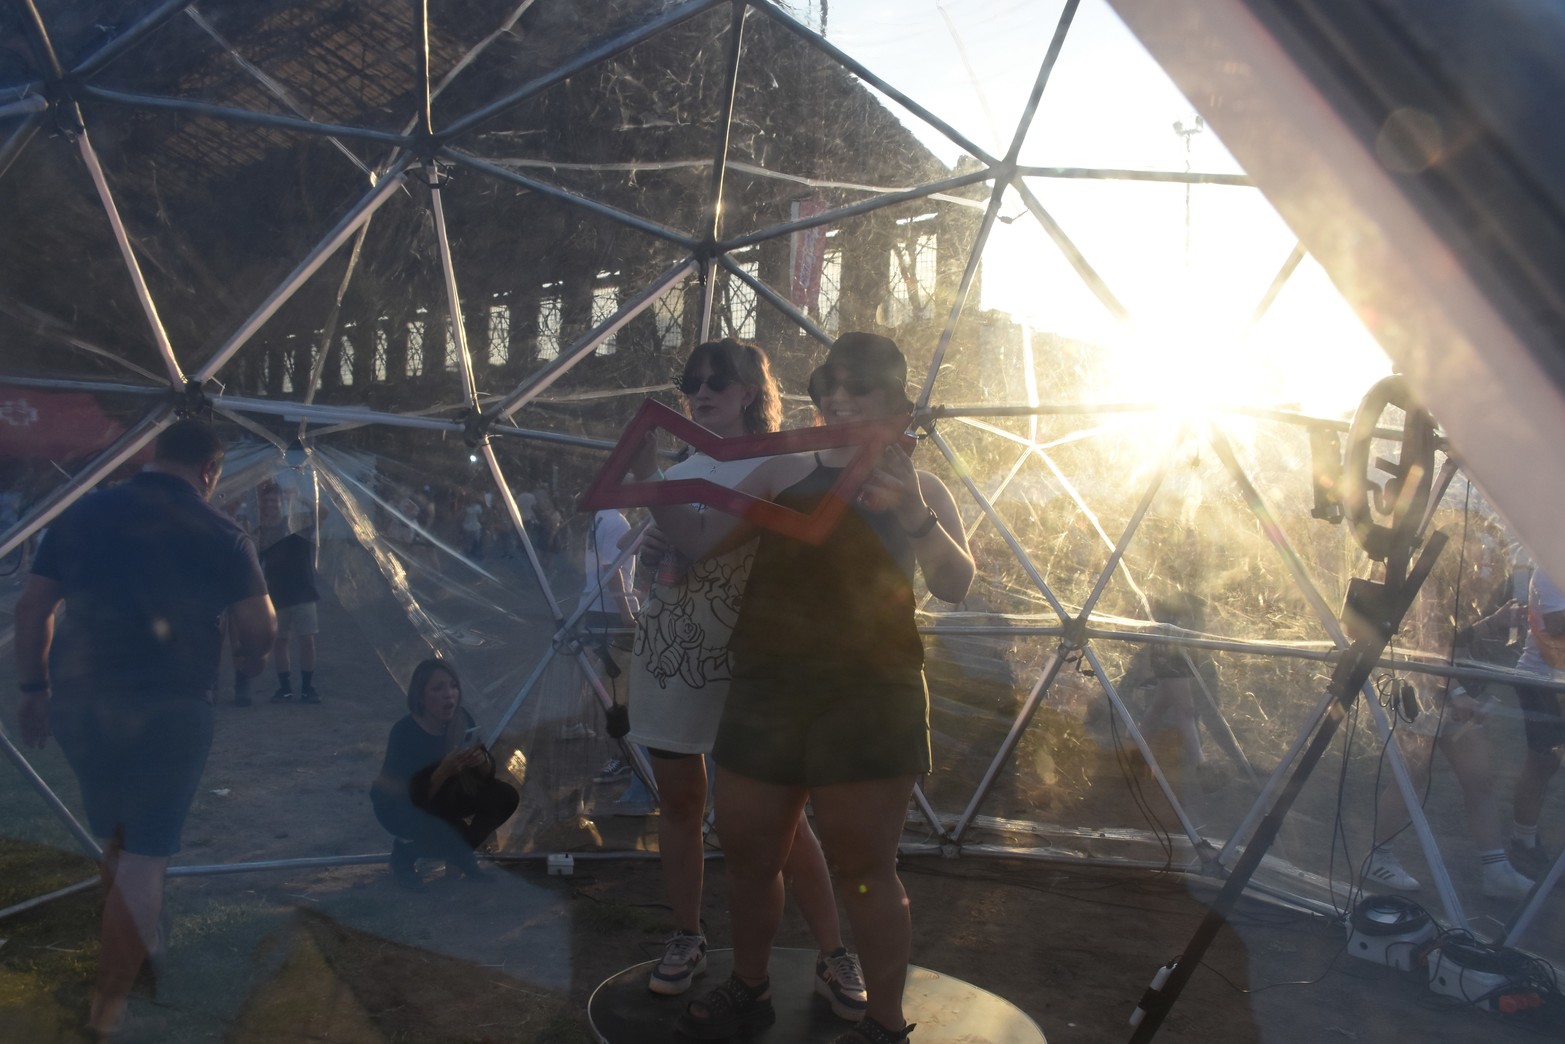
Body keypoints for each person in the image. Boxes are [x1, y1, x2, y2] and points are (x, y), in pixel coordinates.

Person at [643, 333, 975, 1044]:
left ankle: (884, 1025)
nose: (841, 403)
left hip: (869, 696)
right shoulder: (782, 473)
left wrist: (913, 511)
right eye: (833, 391)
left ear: (896, 408)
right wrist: (649, 493)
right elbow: (703, 542)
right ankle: (750, 986)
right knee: (748, 851)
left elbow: (954, 584)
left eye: (860, 393)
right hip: (766, 688)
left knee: (865, 867)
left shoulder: (925, 489)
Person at [625, 338, 867, 1016]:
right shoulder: (685, 462)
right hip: (674, 649)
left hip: (749, 660)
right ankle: (686, 936)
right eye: (692, 382)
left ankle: (832, 952)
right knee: (678, 802)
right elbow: (672, 554)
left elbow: (755, 544)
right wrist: (654, 538)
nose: (702, 392)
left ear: (751, 390)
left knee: (778, 821)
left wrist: (661, 506)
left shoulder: (783, 460)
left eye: (717, 381)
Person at [13, 418, 276, 1040]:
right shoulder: (222, 529)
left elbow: (32, 607)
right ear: (210, 472)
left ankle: (136, 943)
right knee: (144, 858)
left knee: (115, 837)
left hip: (82, 703)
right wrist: (252, 657)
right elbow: (260, 626)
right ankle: (109, 1005)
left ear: (154, 456)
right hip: (170, 708)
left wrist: (31, 689)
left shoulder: (84, 512)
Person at [1362, 527, 1534, 901]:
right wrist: (1456, 692)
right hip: (1423, 693)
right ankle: (1378, 857)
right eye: (1483, 552)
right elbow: (1431, 646)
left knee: (1479, 778)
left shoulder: (1464, 587)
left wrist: (1494, 623)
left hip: (1452, 695)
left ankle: (1496, 870)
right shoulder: (1433, 582)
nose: (1487, 562)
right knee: (1412, 777)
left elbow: (1457, 638)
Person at [370, 658, 519, 890]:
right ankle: (405, 855)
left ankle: (459, 854)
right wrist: (443, 771)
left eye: (453, 686)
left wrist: (481, 762)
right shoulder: (405, 732)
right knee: (451, 834)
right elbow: (408, 797)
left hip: (444, 797)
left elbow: (487, 776)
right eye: (438, 688)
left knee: (505, 796)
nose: (449, 695)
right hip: (400, 808)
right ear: (420, 697)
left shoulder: (462, 719)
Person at [1508, 568, 1565, 878]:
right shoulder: (1551, 568)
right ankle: (1523, 842)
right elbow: (1557, 624)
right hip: (1541, 680)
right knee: (1541, 763)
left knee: (1548, 764)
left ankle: (1525, 839)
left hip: (1555, 680)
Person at [248, 481, 324, 705]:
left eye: (275, 500)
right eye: (267, 501)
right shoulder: (262, 531)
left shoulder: (296, 523)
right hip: (276, 594)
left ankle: (308, 687)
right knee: (280, 642)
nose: (271, 504)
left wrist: (300, 497)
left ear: (281, 502)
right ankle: (286, 688)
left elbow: (323, 513)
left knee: (306, 640)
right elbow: (253, 561)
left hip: (302, 590)